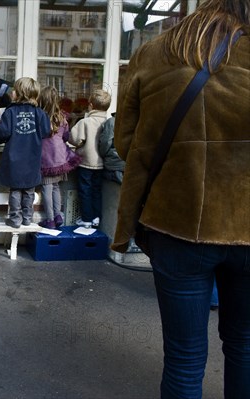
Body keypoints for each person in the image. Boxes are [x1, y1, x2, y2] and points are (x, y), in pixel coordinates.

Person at [111, 0, 250, 397]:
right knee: (244, 345)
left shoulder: (158, 52)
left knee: (184, 358)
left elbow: (125, 143)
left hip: (176, 223)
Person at [0, 77, 50, 229]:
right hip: (32, 157)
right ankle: (27, 218)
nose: (11, 92)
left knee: (15, 190)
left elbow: (1, 134)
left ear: (19, 93)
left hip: (14, 159)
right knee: (29, 189)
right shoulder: (40, 113)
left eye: (14, 90)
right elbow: (46, 132)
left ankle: (15, 219)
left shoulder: (10, 112)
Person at [37, 86, 81, 229]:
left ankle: (50, 220)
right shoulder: (62, 117)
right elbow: (66, 136)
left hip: (46, 159)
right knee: (56, 187)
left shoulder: (40, 117)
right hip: (60, 158)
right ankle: (58, 215)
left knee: (46, 188)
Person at [68, 89, 110, 228]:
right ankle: (96, 217)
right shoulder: (110, 122)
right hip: (102, 163)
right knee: (97, 191)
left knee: (85, 191)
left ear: (91, 105)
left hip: (86, 162)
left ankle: (86, 218)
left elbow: (74, 139)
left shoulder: (85, 122)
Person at [97, 114, 125, 184]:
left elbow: (106, 142)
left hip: (114, 165)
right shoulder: (138, 120)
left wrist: (102, 154)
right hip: (129, 165)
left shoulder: (112, 121)